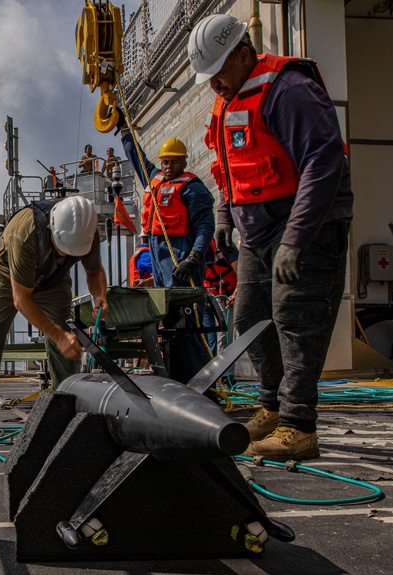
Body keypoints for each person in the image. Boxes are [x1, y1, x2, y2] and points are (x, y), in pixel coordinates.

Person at [189, 14, 353, 461]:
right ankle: (272, 407)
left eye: (219, 72)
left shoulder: (289, 90)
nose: (215, 85)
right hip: (256, 234)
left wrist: (296, 238)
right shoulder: (229, 101)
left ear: (244, 55)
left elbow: (324, 162)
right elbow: (228, 171)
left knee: (296, 321)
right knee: (249, 319)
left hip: (305, 228)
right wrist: (224, 216)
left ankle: (300, 426)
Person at [0, 196, 108, 428]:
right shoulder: (24, 233)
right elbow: (21, 300)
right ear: (52, 228)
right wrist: (59, 337)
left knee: (63, 332)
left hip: (53, 280)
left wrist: (100, 297)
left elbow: (94, 271)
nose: (67, 255)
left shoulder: (86, 232)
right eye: (63, 248)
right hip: (10, 276)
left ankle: (66, 407)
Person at [118, 129, 215, 380]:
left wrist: (194, 256)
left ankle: (202, 380)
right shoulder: (155, 179)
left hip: (182, 264)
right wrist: (125, 132)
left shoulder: (193, 189)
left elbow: (205, 225)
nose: (168, 166)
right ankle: (176, 378)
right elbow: (137, 158)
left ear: (184, 161)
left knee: (189, 325)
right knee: (169, 325)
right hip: (163, 272)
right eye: (165, 161)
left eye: (173, 161)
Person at [201, 239, 238, 352]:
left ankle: (227, 367)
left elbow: (241, 273)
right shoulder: (195, 255)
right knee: (216, 333)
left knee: (226, 335)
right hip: (215, 297)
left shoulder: (225, 246)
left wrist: (236, 293)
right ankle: (217, 364)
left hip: (234, 292)